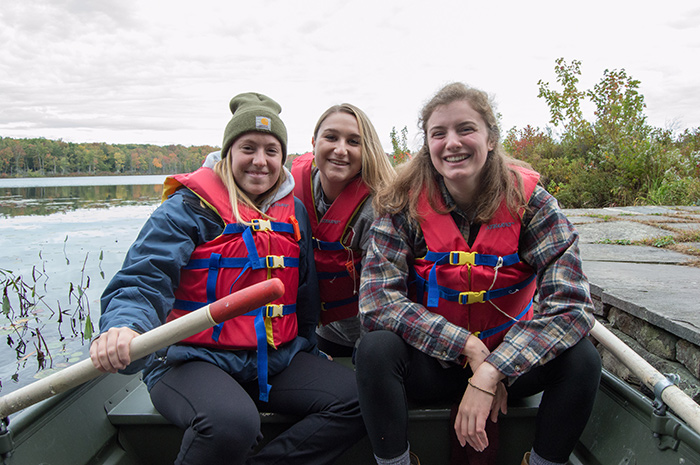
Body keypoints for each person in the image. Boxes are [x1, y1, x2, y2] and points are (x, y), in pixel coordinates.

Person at [90, 92, 365, 465]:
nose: (260, 161)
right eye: (248, 147)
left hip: (274, 359)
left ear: (282, 157)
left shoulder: (293, 211)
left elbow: (304, 297)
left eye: (271, 150)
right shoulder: (188, 208)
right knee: (229, 423)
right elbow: (144, 277)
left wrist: (308, 350)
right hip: (190, 360)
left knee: (360, 400)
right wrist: (124, 325)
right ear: (228, 152)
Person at [355, 83, 601, 465]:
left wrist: (493, 370)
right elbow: (377, 302)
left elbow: (571, 306)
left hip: (512, 361)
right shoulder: (402, 204)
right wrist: (466, 349)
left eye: (465, 129)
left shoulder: (532, 203)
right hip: (433, 362)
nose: (452, 142)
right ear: (427, 146)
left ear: (491, 138)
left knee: (582, 359)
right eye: (439, 133)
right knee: (373, 349)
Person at [291, 103, 395, 357]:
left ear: (367, 150)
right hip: (316, 333)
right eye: (331, 137)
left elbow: (383, 297)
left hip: (370, 341)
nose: (340, 149)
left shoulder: (378, 209)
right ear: (314, 142)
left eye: (353, 142)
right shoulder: (290, 190)